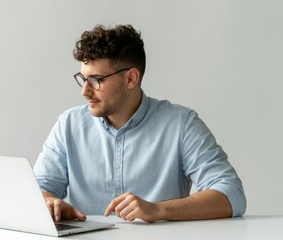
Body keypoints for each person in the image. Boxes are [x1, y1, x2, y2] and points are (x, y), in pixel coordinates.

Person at [33, 24, 246, 223]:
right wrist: (48, 202)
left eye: (96, 80)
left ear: (131, 79)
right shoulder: (69, 124)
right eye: (83, 78)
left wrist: (158, 210)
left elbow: (231, 194)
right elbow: (39, 188)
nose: (85, 91)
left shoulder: (181, 124)